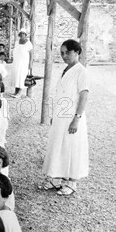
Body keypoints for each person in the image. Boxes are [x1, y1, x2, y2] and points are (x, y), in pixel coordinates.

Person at [41, 39, 90, 196]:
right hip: (61, 115)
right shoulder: (66, 69)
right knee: (58, 146)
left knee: (71, 147)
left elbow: (84, 96)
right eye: (62, 53)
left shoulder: (81, 71)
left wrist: (76, 119)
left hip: (72, 117)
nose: (64, 56)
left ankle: (71, 182)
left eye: (67, 52)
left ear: (76, 52)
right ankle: (56, 178)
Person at [9, 29, 33, 98]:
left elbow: (31, 54)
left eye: (23, 34)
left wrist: (30, 63)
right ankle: (16, 91)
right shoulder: (17, 42)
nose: (22, 35)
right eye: (21, 33)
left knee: (21, 76)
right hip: (16, 62)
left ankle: (19, 93)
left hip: (24, 63)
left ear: (25, 35)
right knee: (16, 75)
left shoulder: (28, 43)